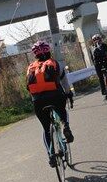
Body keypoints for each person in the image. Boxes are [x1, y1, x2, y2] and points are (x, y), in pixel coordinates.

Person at [25, 40, 74, 168]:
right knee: (62, 111)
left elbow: (29, 88)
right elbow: (65, 83)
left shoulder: (31, 67)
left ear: (35, 54)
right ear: (49, 51)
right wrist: (68, 94)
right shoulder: (55, 64)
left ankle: (51, 155)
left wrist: (36, 98)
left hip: (38, 101)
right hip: (55, 96)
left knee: (46, 129)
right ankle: (66, 126)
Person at [92, 34, 107, 99]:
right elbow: (92, 58)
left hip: (103, 61)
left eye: (98, 39)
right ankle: (104, 90)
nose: (97, 41)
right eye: (96, 40)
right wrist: (95, 65)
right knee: (101, 77)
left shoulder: (103, 45)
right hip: (99, 63)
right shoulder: (93, 47)